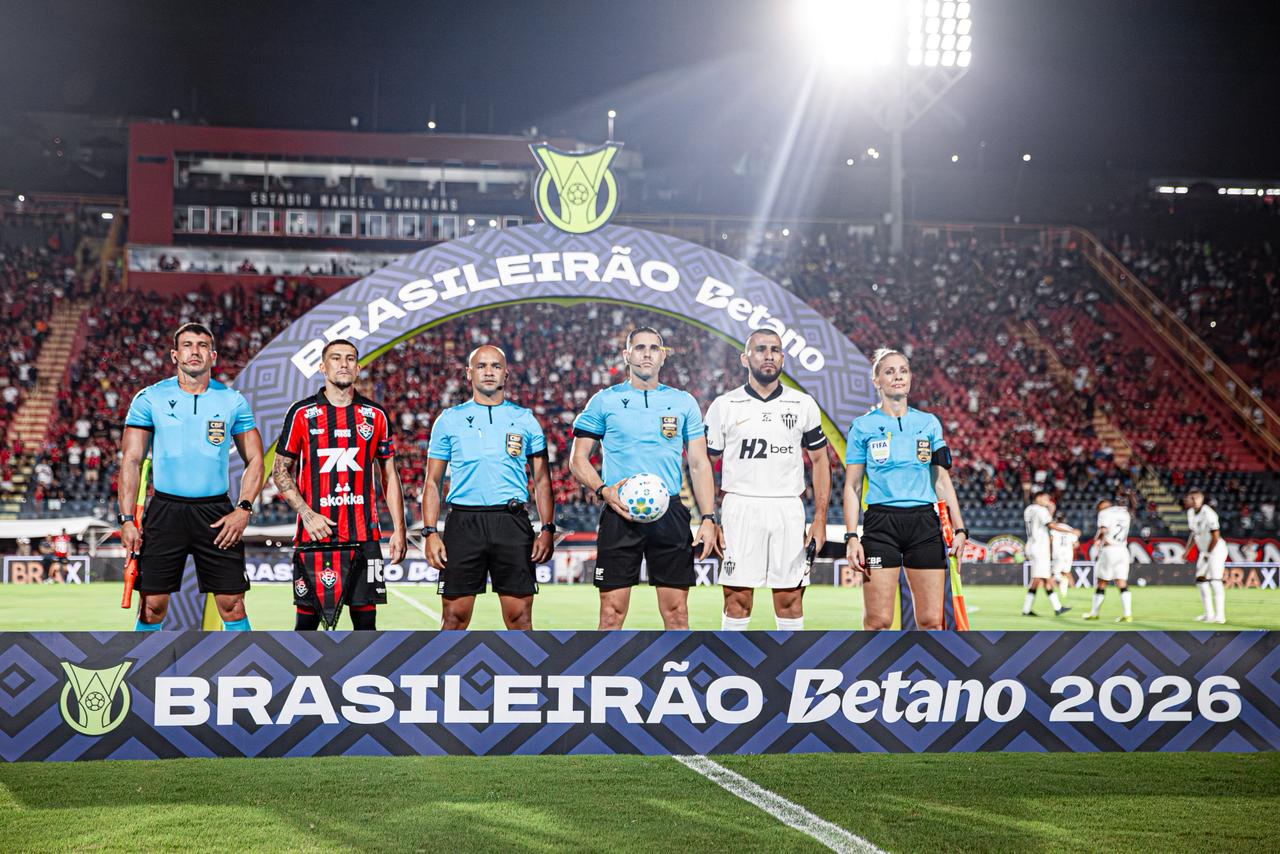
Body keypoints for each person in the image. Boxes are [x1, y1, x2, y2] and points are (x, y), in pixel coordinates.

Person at [569, 326, 720, 630]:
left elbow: (699, 463)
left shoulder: (683, 402)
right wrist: (603, 490)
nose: (647, 354)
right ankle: (607, 664)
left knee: (677, 614)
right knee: (611, 615)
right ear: (627, 355)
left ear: (663, 357)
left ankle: (677, 664)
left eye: (654, 348)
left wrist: (708, 517)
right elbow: (577, 459)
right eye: (639, 347)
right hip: (620, 512)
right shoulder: (604, 401)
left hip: (670, 513)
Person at [119, 322, 264, 632]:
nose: (194, 351)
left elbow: (255, 459)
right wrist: (127, 519)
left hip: (216, 512)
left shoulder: (232, 400)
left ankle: (244, 663)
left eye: (202, 345)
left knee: (232, 604)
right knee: (152, 606)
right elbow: (131, 461)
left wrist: (244, 509)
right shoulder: (150, 398)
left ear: (213, 355)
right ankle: (141, 663)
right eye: (187, 345)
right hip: (165, 510)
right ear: (175, 355)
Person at [271, 339, 406, 630]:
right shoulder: (302, 413)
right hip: (315, 537)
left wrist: (400, 529)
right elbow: (279, 472)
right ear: (322, 366)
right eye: (335, 358)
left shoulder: (376, 415)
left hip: (364, 537)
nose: (343, 364)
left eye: (350, 358)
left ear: (358, 368)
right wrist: (308, 515)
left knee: (366, 628)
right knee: (306, 628)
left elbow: (389, 474)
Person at [422, 345, 555, 630]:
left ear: (506, 374)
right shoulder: (449, 420)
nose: (489, 372)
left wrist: (547, 529)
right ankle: (448, 663)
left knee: (520, 618)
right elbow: (432, 481)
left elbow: (543, 480)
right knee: (454, 618)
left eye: (496, 366)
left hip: (512, 522)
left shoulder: (525, 419)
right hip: (463, 524)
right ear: (469, 373)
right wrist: (430, 532)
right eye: (481, 366)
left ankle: (522, 664)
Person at [705, 329, 830, 631]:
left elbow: (820, 461)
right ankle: (731, 661)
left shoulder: (802, 404)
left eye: (775, 350)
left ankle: (790, 662)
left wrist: (820, 518)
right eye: (760, 349)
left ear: (783, 357)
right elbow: (704, 464)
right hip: (739, 507)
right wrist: (709, 517)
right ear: (744, 358)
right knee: (737, 600)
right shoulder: (725, 405)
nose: (769, 355)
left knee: (790, 601)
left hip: (787, 507)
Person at [843, 349, 967, 631]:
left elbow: (941, 480)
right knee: (878, 621)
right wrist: (851, 536)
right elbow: (852, 486)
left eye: (903, 370)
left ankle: (928, 663)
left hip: (924, 524)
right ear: (876, 381)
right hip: (880, 525)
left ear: (910, 378)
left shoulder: (929, 423)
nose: (897, 376)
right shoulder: (862, 427)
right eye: (889, 371)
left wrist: (960, 529)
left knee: (932, 621)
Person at [1084, 497, 1133, 622]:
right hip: (1123, 549)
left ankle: (1094, 613)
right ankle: (1127, 614)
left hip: (1109, 550)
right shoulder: (1124, 513)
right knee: (1122, 582)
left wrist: (1096, 539)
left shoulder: (1104, 513)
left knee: (1101, 582)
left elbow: (1103, 529)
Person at [1022, 491, 1070, 616]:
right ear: (1038, 497)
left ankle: (1029, 609)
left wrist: (1050, 511)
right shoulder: (1041, 510)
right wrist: (1069, 531)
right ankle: (1057, 607)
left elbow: (1040, 523)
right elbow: (1050, 525)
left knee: (1040, 578)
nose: (1048, 501)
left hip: (1031, 545)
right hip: (1040, 547)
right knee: (1042, 577)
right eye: (1046, 498)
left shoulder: (1028, 509)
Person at [1184, 488, 1227, 623]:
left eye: (1197, 498)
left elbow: (1215, 536)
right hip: (1205, 552)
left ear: (1202, 499)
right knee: (1201, 581)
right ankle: (1209, 614)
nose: (1195, 501)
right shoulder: (1190, 513)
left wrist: (1208, 553)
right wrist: (1187, 551)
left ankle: (1220, 616)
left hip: (1216, 550)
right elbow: (1194, 533)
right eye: (1192, 498)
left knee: (1215, 581)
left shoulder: (1208, 513)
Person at [1049, 512, 1081, 600]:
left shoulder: (1054, 529)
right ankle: (1067, 592)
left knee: (1054, 573)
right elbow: (1076, 544)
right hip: (1068, 554)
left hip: (1057, 553)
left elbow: (1050, 540)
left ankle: (1052, 590)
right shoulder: (1070, 529)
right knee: (1066, 573)